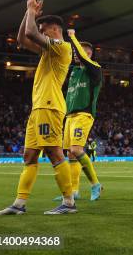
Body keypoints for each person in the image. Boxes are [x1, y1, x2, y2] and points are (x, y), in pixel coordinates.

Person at [0, 0, 77, 215]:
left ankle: (69, 203)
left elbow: (31, 33)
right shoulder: (47, 51)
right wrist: (27, 12)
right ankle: (19, 204)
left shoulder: (62, 47)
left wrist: (32, 12)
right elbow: (23, 39)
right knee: (29, 156)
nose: (40, 33)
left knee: (53, 152)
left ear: (54, 30)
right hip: (38, 108)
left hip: (50, 106)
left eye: (43, 29)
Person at [53, 29, 103, 202]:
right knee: (70, 155)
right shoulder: (74, 72)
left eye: (79, 52)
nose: (75, 55)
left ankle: (95, 184)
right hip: (70, 116)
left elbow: (81, 57)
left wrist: (72, 36)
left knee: (76, 149)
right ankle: (74, 191)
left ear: (88, 54)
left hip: (84, 114)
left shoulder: (95, 69)